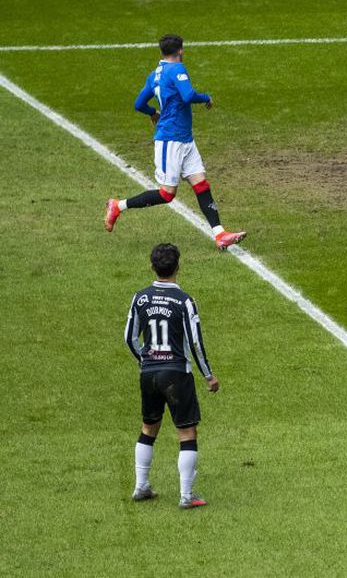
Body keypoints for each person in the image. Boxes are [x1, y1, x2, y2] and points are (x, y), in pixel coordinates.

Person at [105, 34, 245, 250]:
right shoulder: (178, 69)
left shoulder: (155, 75)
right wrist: (206, 97)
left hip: (185, 139)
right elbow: (188, 96)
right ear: (180, 50)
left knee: (201, 184)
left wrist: (153, 112)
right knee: (166, 194)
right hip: (170, 140)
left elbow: (138, 103)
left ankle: (220, 234)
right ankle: (118, 205)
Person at [124, 243, 219, 510]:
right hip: (177, 373)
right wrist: (209, 376)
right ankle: (186, 496)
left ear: (152, 266)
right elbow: (196, 343)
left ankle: (141, 486)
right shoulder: (184, 301)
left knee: (148, 427)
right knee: (186, 431)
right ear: (178, 267)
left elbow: (129, 338)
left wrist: (145, 361)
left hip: (149, 374)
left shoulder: (140, 298)